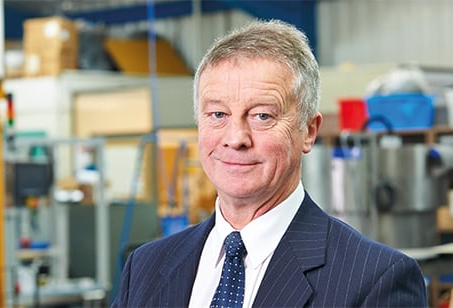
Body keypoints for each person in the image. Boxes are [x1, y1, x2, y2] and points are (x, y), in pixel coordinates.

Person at [111, 19, 427, 307]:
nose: (236, 138)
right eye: (218, 115)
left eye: (262, 115)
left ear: (309, 132)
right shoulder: (145, 267)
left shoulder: (376, 279)